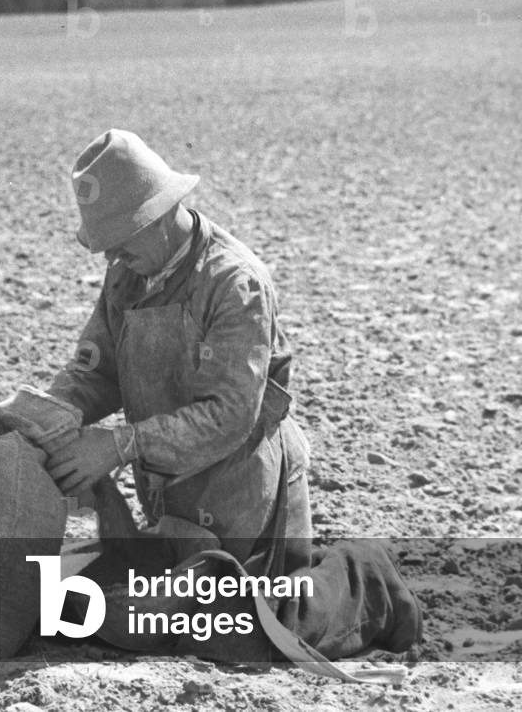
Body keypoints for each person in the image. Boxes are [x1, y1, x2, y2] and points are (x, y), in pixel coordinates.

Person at [43, 129, 421, 660]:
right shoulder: (128, 274)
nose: (112, 256)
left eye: (122, 240)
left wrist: (120, 445)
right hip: (176, 495)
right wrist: (52, 412)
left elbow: (228, 415)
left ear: (159, 215)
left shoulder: (234, 282)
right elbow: (97, 370)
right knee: (92, 612)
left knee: (239, 634)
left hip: (248, 497)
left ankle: (364, 578)